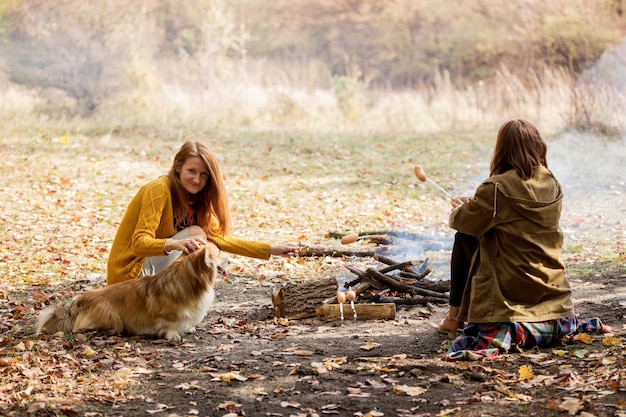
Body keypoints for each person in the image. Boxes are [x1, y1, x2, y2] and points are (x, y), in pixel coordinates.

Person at [437, 118, 610, 360]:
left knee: (466, 234)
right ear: (537, 147)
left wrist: (460, 209)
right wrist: (475, 203)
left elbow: (462, 222)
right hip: (552, 294)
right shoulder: (552, 183)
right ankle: (458, 318)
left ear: (502, 150)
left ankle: (454, 318)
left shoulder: (495, 188)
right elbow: (519, 222)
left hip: (511, 295)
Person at [107, 141, 299, 285]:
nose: (197, 179)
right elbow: (139, 244)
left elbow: (221, 239)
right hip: (129, 276)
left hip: (151, 273)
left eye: (204, 174)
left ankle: (179, 308)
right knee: (197, 235)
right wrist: (175, 243)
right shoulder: (159, 189)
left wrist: (270, 249)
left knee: (205, 241)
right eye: (192, 171)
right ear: (177, 166)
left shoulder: (195, 199)